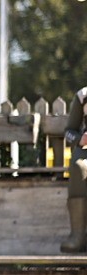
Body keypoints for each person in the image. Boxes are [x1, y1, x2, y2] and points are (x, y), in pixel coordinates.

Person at [61, 85, 87, 253]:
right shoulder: (83, 96)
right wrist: (79, 139)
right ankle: (78, 234)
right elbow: (68, 131)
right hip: (86, 151)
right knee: (78, 168)